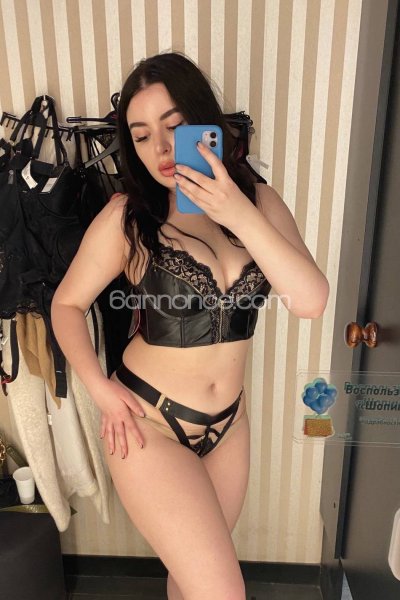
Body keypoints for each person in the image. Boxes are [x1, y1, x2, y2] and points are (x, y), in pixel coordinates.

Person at [51, 52, 329, 600]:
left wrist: (236, 211)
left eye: (173, 127)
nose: (159, 148)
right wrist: (99, 388)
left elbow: (311, 301)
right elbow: (66, 305)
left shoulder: (259, 202)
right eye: (141, 135)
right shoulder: (129, 217)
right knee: (221, 591)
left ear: (203, 123)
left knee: (192, 580)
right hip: (148, 423)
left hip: (230, 424)